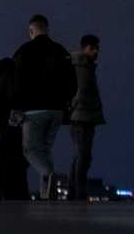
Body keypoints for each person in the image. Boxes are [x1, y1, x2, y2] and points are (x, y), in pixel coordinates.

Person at [11, 14, 77, 200]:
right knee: (46, 149)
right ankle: (46, 193)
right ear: (47, 29)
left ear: (31, 31)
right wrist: (64, 101)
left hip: (33, 110)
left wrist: (16, 107)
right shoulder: (61, 51)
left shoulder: (24, 51)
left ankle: (49, 174)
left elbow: (16, 82)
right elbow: (72, 83)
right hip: (57, 109)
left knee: (30, 150)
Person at [69, 34, 103, 201]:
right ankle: (78, 193)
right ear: (85, 48)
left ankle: (73, 192)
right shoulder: (82, 65)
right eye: (94, 48)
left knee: (80, 156)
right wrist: (77, 106)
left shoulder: (85, 65)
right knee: (83, 156)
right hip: (82, 116)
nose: (97, 51)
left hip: (83, 116)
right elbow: (81, 91)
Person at [0, 58, 29, 200]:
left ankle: (3, 195)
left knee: (2, 170)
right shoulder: (21, 85)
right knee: (20, 171)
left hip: (1, 133)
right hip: (19, 133)